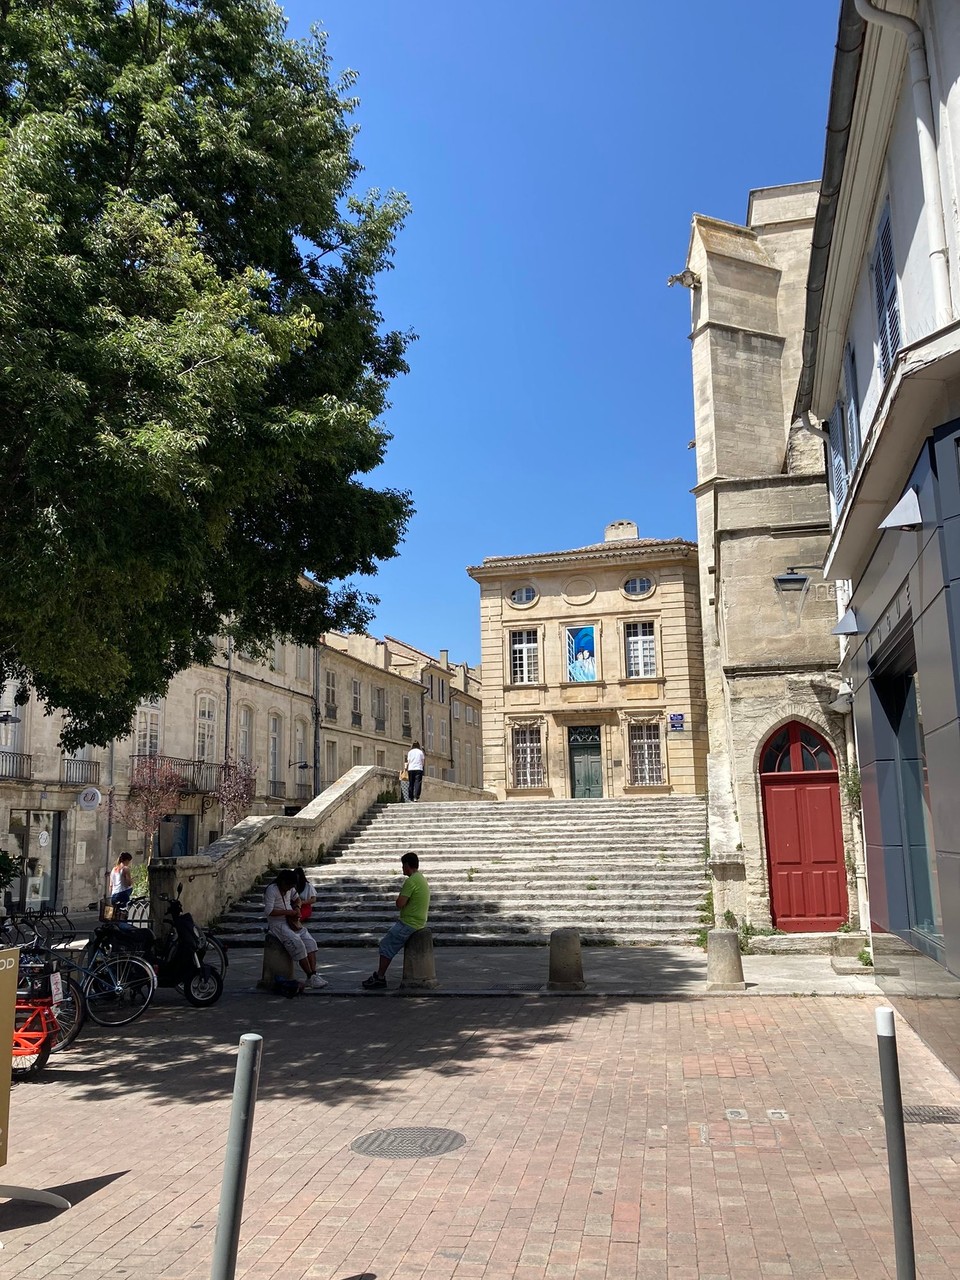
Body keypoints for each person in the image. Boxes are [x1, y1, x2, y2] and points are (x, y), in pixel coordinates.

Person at [362, 853, 430, 989]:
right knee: (388, 943)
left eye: (402, 865)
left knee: (386, 945)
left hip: (410, 922)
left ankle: (380, 977)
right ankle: (379, 976)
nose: (402, 868)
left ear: (407, 865)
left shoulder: (411, 881)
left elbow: (399, 903)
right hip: (419, 921)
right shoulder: (421, 878)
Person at [264, 868, 326, 990]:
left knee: (310, 942)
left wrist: (297, 907)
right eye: (288, 885)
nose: (289, 888)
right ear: (282, 882)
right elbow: (269, 911)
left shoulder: (290, 888)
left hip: (291, 921)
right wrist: (289, 912)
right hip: (278, 924)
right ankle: (309, 974)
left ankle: (312, 976)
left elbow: (297, 898)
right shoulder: (271, 890)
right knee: (298, 944)